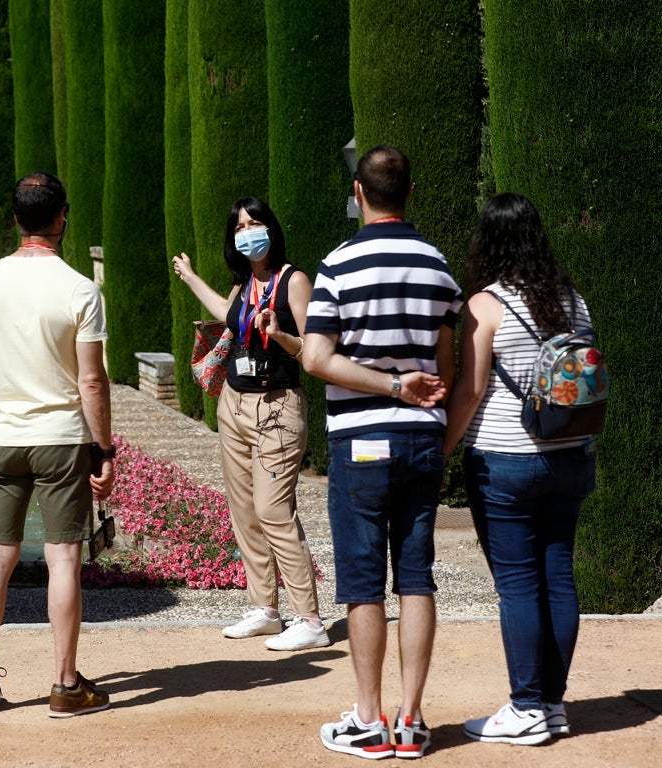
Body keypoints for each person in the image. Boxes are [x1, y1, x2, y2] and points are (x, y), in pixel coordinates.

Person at [302, 145, 462, 760]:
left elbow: (317, 359)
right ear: (410, 191)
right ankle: (413, 720)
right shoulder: (437, 267)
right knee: (416, 577)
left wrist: (390, 384)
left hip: (360, 440)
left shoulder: (337, 266)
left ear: (358, 193)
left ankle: (368, 719)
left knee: (364, 582)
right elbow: (446, 368)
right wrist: (427, 417)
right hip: (422, 438)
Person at [443, 192, 598, 746]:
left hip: (506, 460)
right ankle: (552, 705)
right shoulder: (573, 300)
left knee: (517, 586)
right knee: (558, 576)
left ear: (489, 240)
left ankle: (526, 706)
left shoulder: (486, 305)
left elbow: (471, 389)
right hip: (573, 456)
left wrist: (441, 450)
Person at [0, 171, 114, 718]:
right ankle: (65, 686)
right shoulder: (79, 288)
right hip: (61, 439)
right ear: (61, 217)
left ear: (17, 219)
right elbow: (91, 382)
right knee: (63, 559)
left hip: (2, 436)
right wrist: (105, 450)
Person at [171, 197, 331, 652]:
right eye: (240, 225)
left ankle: (310, 618)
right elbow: (228, 314)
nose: (247, 231)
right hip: (234, 404)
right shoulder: (245, 284)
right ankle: (266, 609)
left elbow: (312, 350)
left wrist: (279, 333)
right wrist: (190, 277)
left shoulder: (293, 280)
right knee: (243, 511)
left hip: (278, 407)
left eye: (255, 222)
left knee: (273, 510)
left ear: (270, 228)